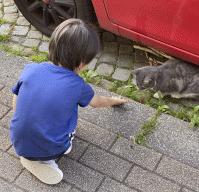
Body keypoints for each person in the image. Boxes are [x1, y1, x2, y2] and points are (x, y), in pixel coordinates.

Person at [10, 18, 127, 185]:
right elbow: (97, 102)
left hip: (17, 137)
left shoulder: (31, 69)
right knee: (68, 132)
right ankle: (44, 160)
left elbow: (16, 99)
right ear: (81, 63)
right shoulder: (78, 85)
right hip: (53, 148)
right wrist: (114, 100)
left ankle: (30, 153)